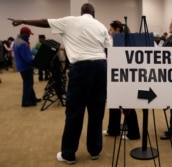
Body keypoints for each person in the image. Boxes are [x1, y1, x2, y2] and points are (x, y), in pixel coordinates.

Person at [8, 3, 112, 164]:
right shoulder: (100, 26)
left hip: (81, 68)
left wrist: (23, 20)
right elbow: (108, 48)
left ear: (80, 12)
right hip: (100, 67)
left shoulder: (70, 21)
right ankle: (95, 150)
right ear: (94, 13)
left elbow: (44, 21)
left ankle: (68, 154)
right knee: (97, 111)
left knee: (75, 112)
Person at [103, 20, 140, 140]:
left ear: (118, 30)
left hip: (124, 78)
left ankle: (134, 133)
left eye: (111, 30)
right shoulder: (115, 42)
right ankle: (113, 130)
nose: (109, 32)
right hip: (115, 77)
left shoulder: (124, 43)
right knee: (114, 104)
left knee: (127, 105)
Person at [12, 27, 41, 107]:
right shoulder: (22, 43)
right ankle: (26, 102)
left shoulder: (17, 41)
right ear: (24, 33)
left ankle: (33, 98)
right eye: (28, 34)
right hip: (26, 66)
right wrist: (36, 62)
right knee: (28, 84)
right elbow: (28, 58)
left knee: (28, 83)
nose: (29, 36)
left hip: (21, 65)